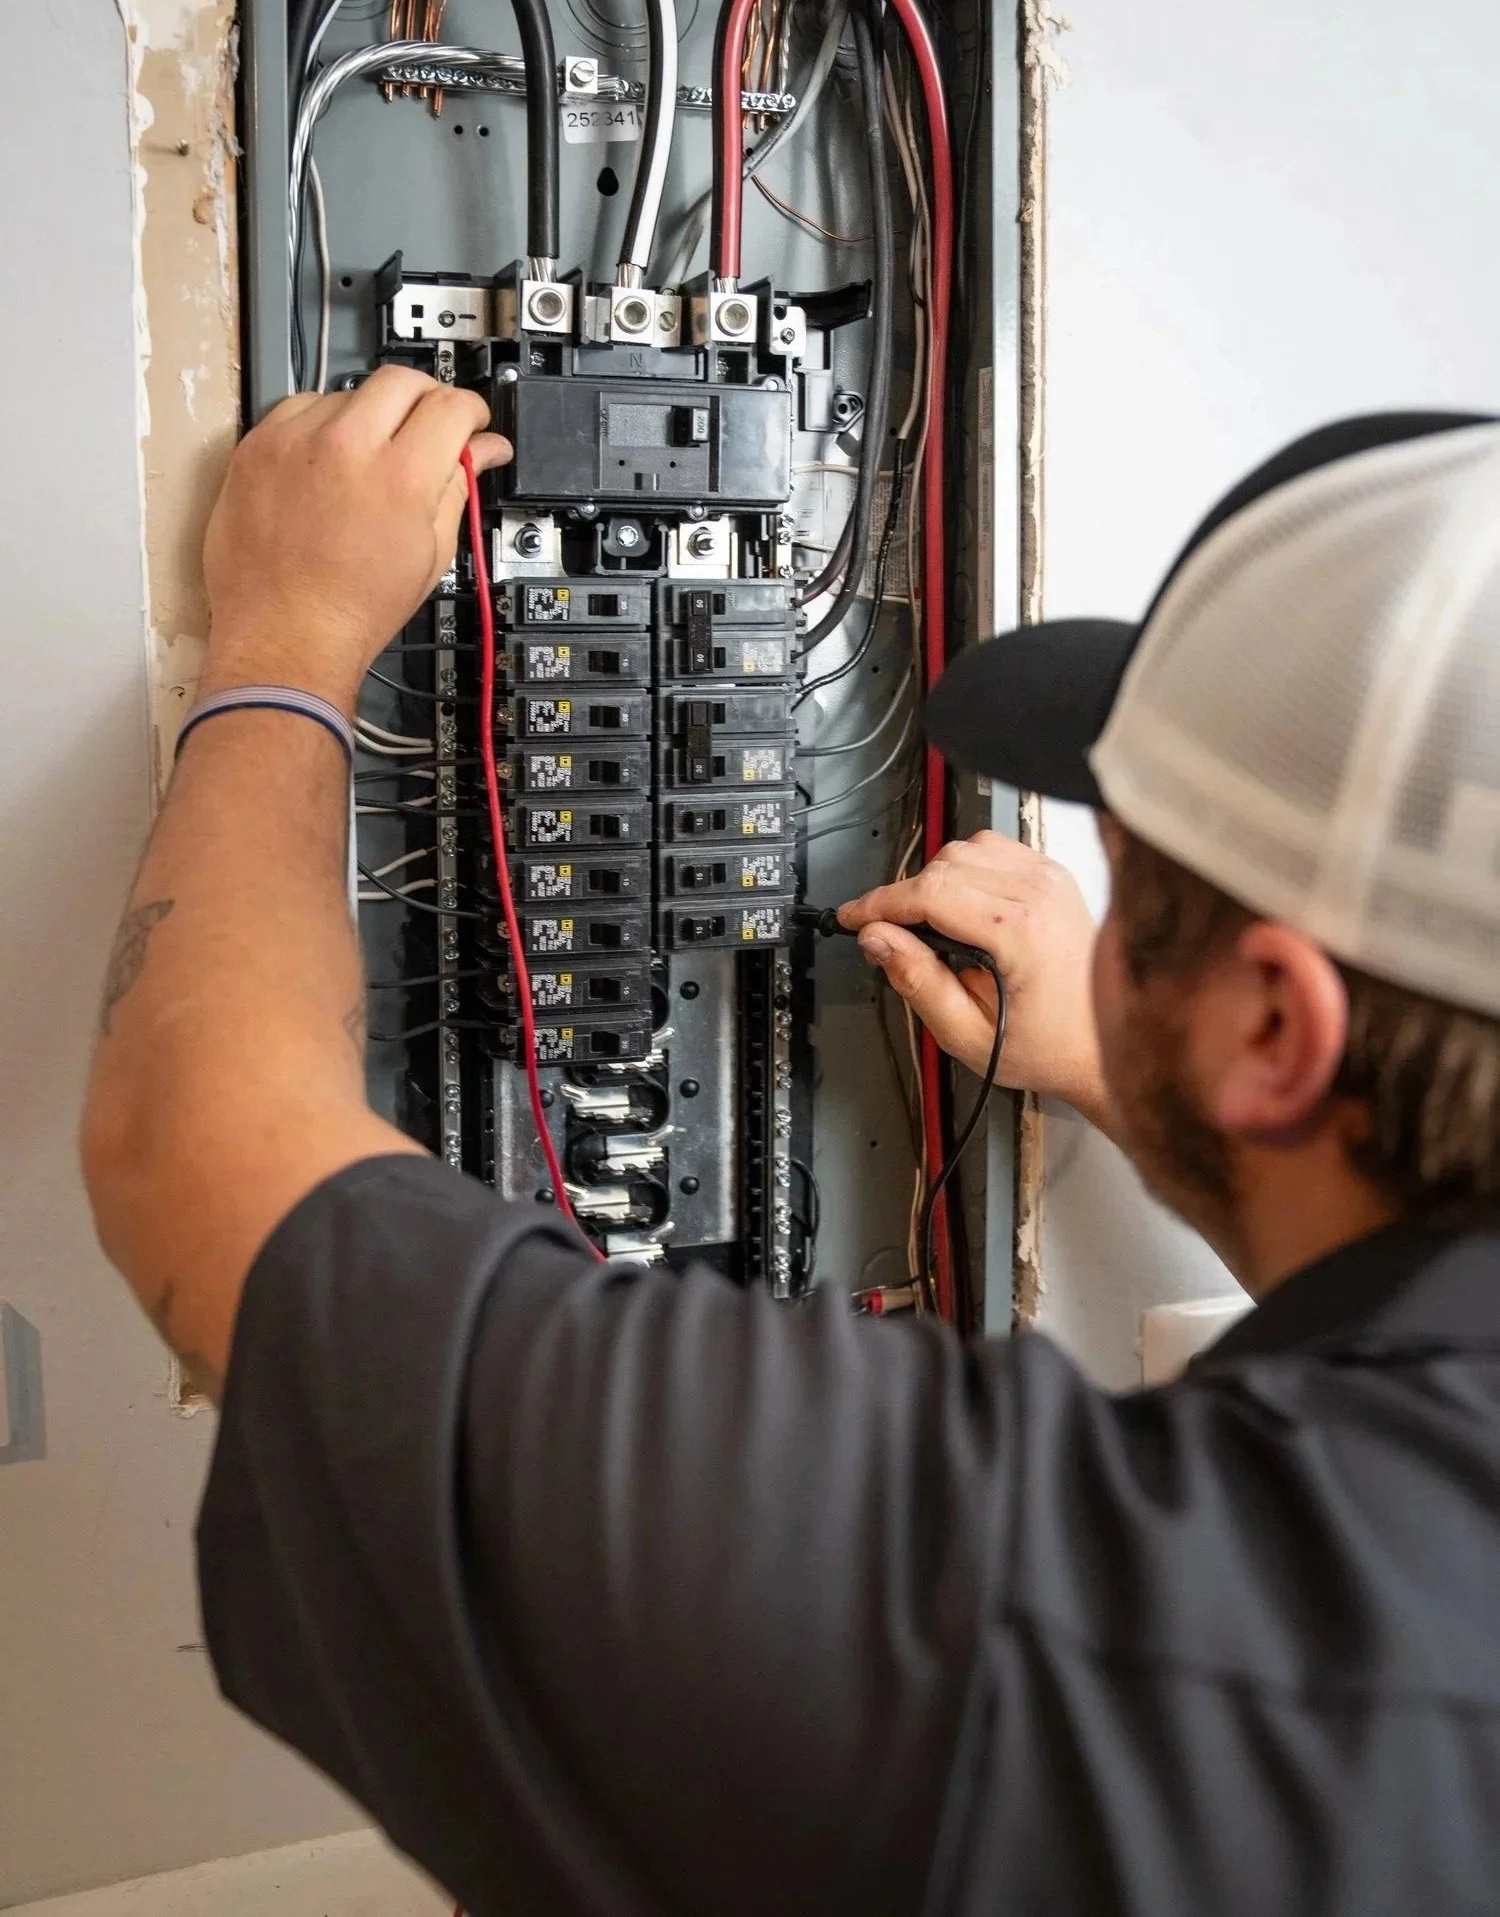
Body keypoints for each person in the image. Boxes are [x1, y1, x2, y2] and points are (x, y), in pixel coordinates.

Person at [82, 378, 1500, 1917]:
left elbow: (191, 1143)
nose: (1102, 919)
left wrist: (285, 639)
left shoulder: (1037, 1639)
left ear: (1276, 1034)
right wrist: (1121, 1065)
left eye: (1136, 878)